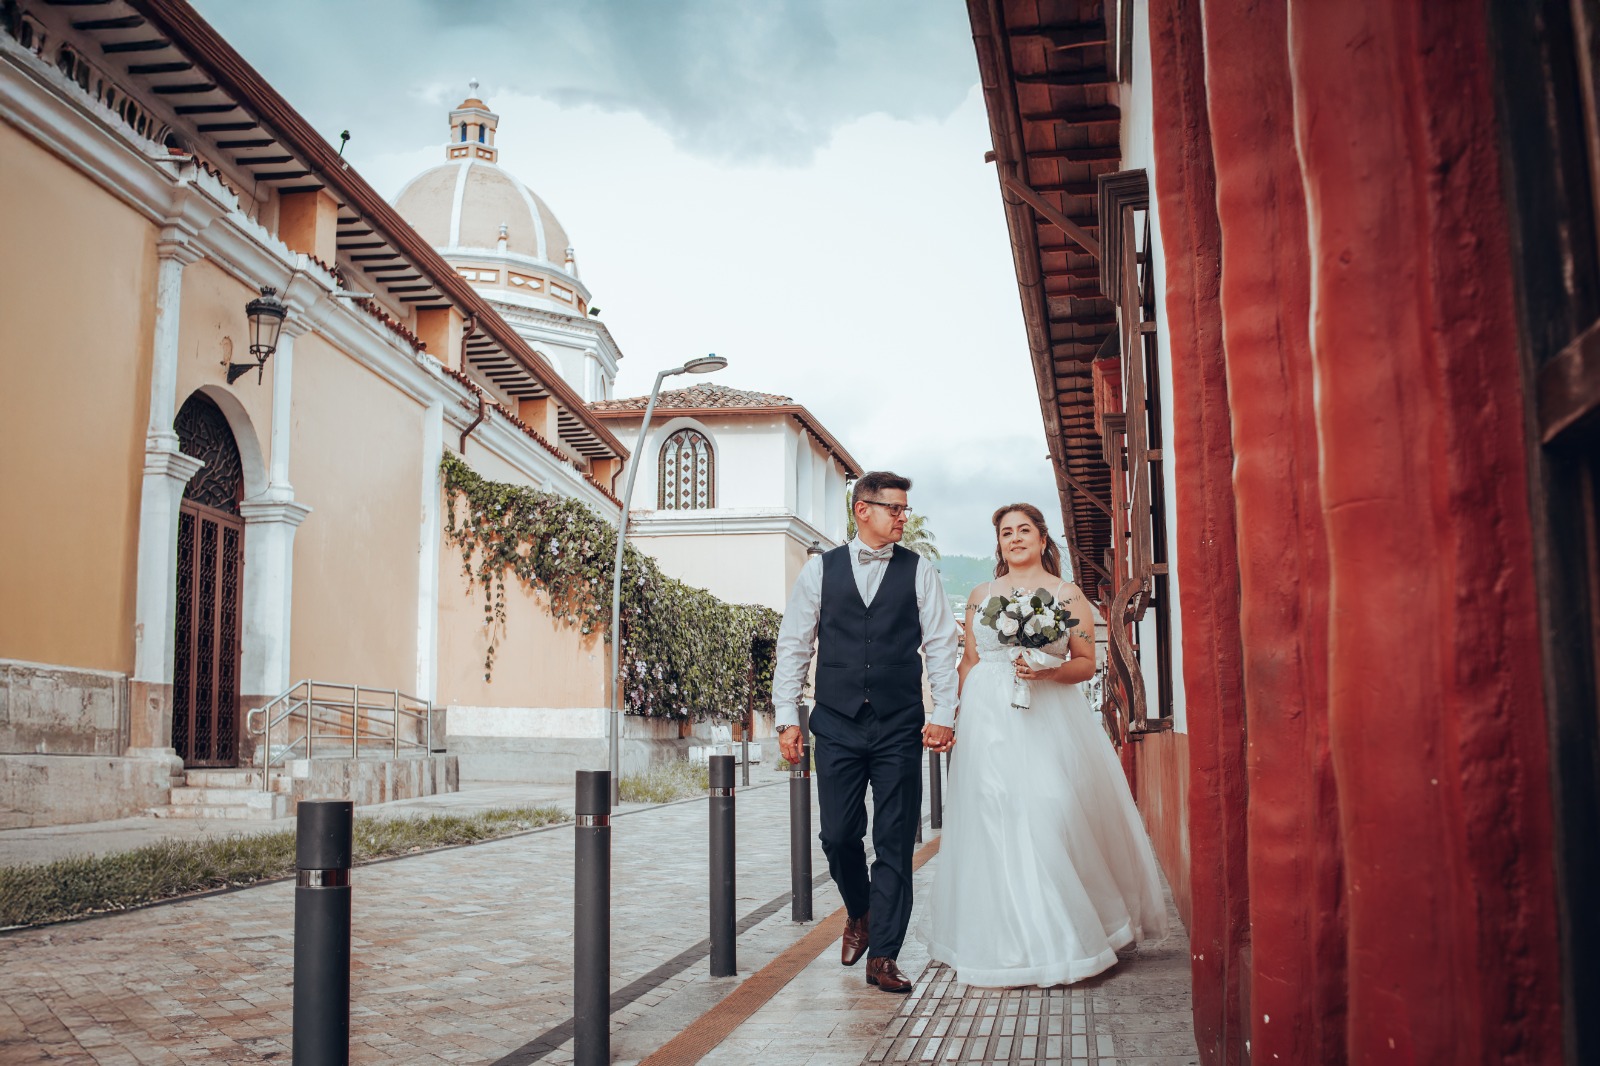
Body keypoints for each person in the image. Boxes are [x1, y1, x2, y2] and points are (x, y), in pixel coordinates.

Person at [922, 503, 1168, 986]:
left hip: (1047, 717)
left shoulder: (1065, 593)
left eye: (1023, 530)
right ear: (999, 544)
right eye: (1006, 533)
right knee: (994, 817)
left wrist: (1047, 670)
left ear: (1041, 539)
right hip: (987, 721)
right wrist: (954, 716)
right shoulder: (980, 595)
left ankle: (1068, 934)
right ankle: (1007, 941)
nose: (1015, 538)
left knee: (1050, 810)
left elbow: (1085, 662)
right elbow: (969, 661)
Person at [771, 471, 961, 994]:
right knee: (837, 835)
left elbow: (941, 644)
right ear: (863, 510)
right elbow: (795, 644)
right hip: (836, 721)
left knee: (895, 840)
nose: (903, 517)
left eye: (904, 509)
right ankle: (860, 912)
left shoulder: (919, 570)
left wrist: (944, 711)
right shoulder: (820, 570)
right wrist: (787, 718)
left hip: (899, 722)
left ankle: (884, 956)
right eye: (894, 508)